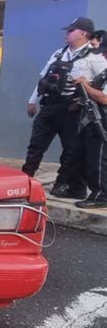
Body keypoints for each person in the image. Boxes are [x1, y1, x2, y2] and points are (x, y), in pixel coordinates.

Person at [22, 17, 107, 198]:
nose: (67, 34)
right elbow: (43, 79)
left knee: (71, 150)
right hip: (49, 106)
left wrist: (90, 90)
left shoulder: (94, 57)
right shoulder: (58, 53)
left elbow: (104, 81)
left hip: (73, 109)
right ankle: (25, 178)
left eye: (71, 31)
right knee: (36, 145)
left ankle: (63, 183)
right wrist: (32, 101)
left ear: (83, 34)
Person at [72, 35, 107, 209]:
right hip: (95, 120)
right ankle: (97, 192)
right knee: (93, 158)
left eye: (105, 52)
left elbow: (104, 98)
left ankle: (101, 195)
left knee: (99, 160)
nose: (103, 56)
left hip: (103, 122)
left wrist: (85, 85)